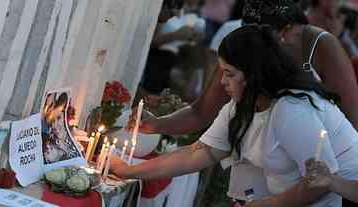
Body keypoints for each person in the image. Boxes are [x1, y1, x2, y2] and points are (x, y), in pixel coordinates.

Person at [114, 25, 358, 206]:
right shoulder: (238, 107)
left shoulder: (291, 110)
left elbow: (319, 186)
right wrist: (128, 171)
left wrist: (265, 205)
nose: (222, 82)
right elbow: (195, 154)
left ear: (253, 74)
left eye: (229, 74)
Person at [128, 0, 358, 136]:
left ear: (286, 30)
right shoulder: (248, 43)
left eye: (263, 39)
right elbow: (201, 113)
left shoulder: (323, 46)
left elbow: (353, 123)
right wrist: (155, 124)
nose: (255, 49)